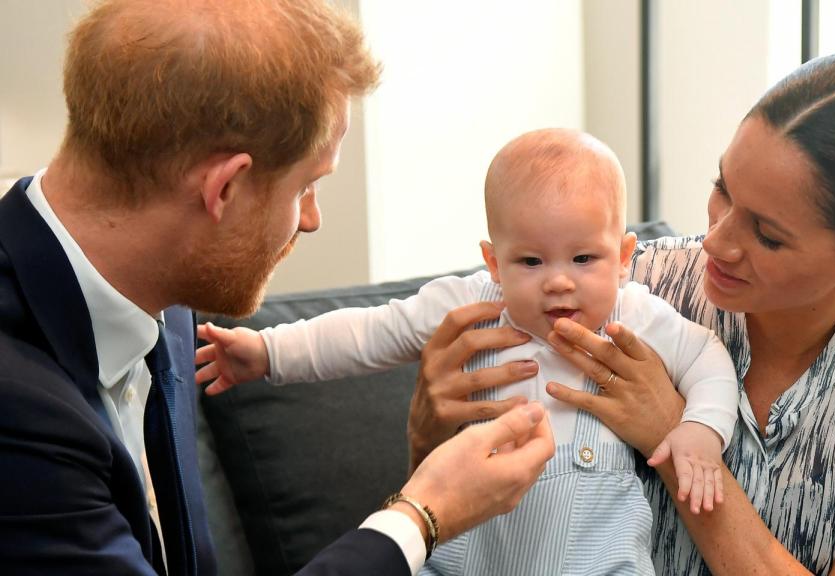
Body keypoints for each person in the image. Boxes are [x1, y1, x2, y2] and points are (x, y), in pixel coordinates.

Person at [0, 1, 554, 574]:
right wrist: (421, 515)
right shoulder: (17, 409)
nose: (311, 219)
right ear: (225, 188)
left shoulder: (167, 292)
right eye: (306, 186)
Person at [407, 52, 835, 574]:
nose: (716, 242)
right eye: (722, 188)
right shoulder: (628, 283)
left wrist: (675, 436)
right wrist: (428, 431)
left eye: (767, 235)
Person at [195, 127, 740, 575]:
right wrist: (267, 352)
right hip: (470, 552)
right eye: (531, 262)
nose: (559, 282)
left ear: (622, 257)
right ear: (494, 262)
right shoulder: (470, 303)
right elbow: (369, 332)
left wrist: (700, 430)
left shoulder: (636, 314)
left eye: (583, 259)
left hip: (598, 557)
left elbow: (707, 359)